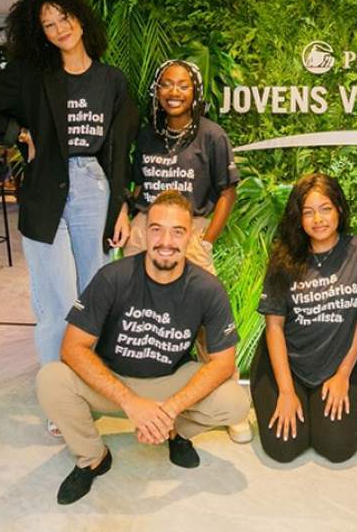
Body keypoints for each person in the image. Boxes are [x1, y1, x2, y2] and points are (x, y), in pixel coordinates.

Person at [0, 0, 138, 395]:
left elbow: (118, 152)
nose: (59, 29)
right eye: (48, 24)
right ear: (40, 32)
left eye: (63, 18)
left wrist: (121, 208)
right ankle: (59, 394)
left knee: (94, 293)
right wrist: (18, 133)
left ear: (80, 17)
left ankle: (92, 387)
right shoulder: (31, 75)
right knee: (56, 298)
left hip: (94, 186)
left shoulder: (111, 81)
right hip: (44, 189)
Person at [35, 191, 250, 505]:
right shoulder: (113, 277)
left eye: (177, 231)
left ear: (190, 235)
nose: (166, 241)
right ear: (144, 232)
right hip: (115, 380)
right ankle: (93, 458)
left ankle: (175, 432)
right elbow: (72, 347)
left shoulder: (207, 288)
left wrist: (170, 410)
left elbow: (223, 362)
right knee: (51, 378)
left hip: (170, 380)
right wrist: (131, 403)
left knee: (235, 402)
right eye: (157, 229)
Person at [250, 173, 357, 463]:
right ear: (298, 217)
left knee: (338, 449)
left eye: (325, 209)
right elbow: (274, 327)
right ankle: (288, 395)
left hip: (337, 362)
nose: (318, 219)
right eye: (308, 212)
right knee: (284, 449)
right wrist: (286, 391)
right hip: (285, 362)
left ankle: (319, 405)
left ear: (339, 209)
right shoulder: (283, 257)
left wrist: (343, 374)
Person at [124, 59, 238, 274]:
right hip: (145, 229)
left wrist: (206, 241)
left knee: (198, 293)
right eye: (166, 85)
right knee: (132, 291)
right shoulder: (147, 134)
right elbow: (139, 185)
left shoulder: (212, 135)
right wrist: (132, 223)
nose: (174, 92)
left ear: (196, 93)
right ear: (157, 91)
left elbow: (228, 194)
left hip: (191, 230)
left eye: (183, 86)